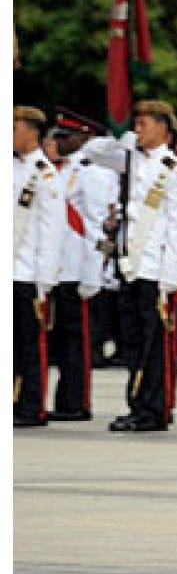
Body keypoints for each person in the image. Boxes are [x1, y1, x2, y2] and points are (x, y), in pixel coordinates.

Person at [79, 99, 177, 432]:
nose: (138, 130)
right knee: (132, 342)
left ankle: (155, 407)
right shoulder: (130, 159)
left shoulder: (175, 170)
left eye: (144, 124)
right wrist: (121, 137)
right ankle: (138, 403)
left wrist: (170, 279)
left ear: (163, 127)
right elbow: (94, 150)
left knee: (156, 345)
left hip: (158, 270)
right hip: (131, 266)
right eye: (136, 123)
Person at [45, 109, 113, 422]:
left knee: (76, 340)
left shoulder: (92, 172)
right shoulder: (54, 171)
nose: (58, 142)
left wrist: (93, 272)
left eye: (65, 137)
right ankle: (61, 400)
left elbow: (97, 226)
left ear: (83, 138)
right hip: (54, 268)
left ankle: (76, 401)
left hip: (77, 267)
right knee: (57, 339)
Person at [13, 107, 67, 426]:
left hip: (27, 273)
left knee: (27, 345)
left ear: (33, 131)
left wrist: (44, 282)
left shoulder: (44, 175)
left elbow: (51, 231)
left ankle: (30, 405)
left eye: (15, 127)